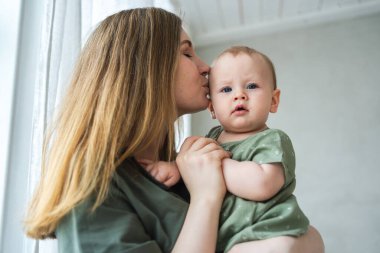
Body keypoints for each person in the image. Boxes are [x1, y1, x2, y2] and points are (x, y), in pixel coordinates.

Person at [24, 7, 324, 253]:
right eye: (187, 53)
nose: (207, 68)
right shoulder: (92, 181)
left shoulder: (178, 171)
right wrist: (207, 194)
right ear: (143, 68)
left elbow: (302, 237)